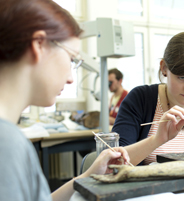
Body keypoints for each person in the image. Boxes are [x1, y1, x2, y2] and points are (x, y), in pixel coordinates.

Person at [0, 1, 131, 200]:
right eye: (71, 59)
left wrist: (89, 176)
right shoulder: (6, 142)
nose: (71, 77)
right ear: (39, 45)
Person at [111, 32, 184, 165]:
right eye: (182, 78)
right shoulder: (141, 100)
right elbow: (113, 164)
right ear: (164, 68)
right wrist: (157, 139)